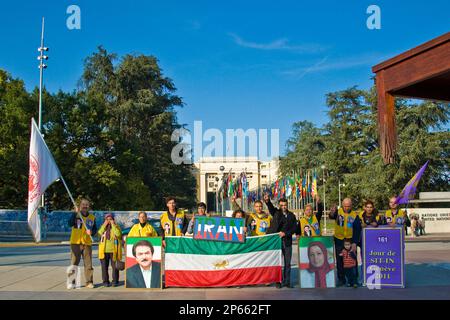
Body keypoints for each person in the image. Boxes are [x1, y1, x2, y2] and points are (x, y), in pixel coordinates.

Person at [264, 194, 297, 288]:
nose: (283, 207)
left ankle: (287, 282)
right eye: (281, 205)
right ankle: (278, 281)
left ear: (287, 205)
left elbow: (294, 228)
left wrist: (285, 233)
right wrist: (267, 201)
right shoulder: (276, 213)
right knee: (277, 263)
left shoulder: (291, 216)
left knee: (287, 263)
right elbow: (271, 208)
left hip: (287, 242)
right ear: (279, 205)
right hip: (276, 242)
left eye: (285, 205)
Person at [329, 197, 361, 287]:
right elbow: (331, 216)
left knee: (352, 260)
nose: (347, 208)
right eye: (345, 206)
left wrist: (355, 243)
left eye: (349, 206)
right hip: (339, 239)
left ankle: (354, 280)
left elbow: (357, 230)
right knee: (340, 260)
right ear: (342, 205)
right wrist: (332, 212)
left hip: (350, 241)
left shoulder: (355, 215)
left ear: (351, 206)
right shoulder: (338, 212)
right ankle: (341, 279)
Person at [67, 198, 97, 289]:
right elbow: (70, 224)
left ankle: (89, 282)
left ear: (89, 206)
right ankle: (71, 282)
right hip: (75, 242)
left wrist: (91, 232)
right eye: (83, 204)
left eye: (87, 204)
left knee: (88, 264)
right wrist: (74, 213)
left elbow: (95, 229)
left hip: (87, 243)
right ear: (80, 206)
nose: (85, 206)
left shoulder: (92, 217)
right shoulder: (76, 215)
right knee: (74, 263)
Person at [98, 213, 122, 287]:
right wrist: (104, 225)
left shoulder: (116, 227)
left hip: (113, 250)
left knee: (115, 267)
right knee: (104, 267)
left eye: (110, 219)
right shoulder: (103, 227)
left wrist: (113, 225)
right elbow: (99, 233)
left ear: (113, 220)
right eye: (107, 219)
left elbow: (118, 234)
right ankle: (105, 281)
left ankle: (115, 281)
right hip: (104, 251)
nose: (109, 221)